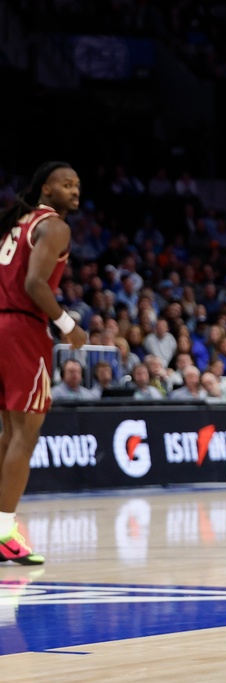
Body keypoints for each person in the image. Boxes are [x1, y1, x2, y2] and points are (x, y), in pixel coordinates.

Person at [0, 161, 88, 565]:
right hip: (21, 328)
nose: (74, 190)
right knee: (26, 433)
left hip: (3, 323)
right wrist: (69, 325)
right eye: (66, 184)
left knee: (9, 432)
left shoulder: (15, 223)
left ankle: (2, 527)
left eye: (77, 185)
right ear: (45, 189)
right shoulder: (54, 226)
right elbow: (35, 283)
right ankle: (3, 531)